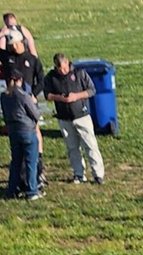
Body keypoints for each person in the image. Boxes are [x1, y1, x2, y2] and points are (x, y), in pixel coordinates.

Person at [44, 53, 106, 185]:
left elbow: (92, 90)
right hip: (64, 118)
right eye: (60, 69)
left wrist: (76, 96)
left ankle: (98, 174)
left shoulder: (79, 73)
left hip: (82, 115)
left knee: (90, 145)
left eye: (64, 68)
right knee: (72, 148)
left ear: (68, 62)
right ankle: (79, 174)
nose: (63, 71)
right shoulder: (51, 77)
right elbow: (47, 95)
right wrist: (60, 98)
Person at [2, 69, 42, 200]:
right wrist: (34, 104)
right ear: (20, 80)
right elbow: (35, 114)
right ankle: (32, 190)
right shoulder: (24, 96)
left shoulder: (4, 96)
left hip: (13, 131)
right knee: (31, 162)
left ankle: (12, 189)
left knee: (16, 162)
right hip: (27, 131)